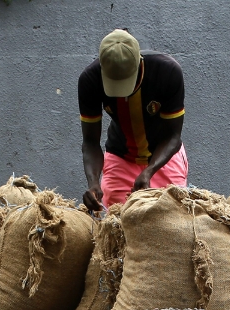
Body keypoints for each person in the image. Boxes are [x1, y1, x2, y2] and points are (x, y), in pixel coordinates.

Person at [79, 29, 188, 213]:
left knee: (172, 224)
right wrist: (93, 183)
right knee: (117, 227)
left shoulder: (167, 72)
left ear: (139, 63)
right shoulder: (90, 80)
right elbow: (90, 142)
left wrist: (149, 171)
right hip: (120, 157)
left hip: (163, 158)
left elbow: (173, 136)